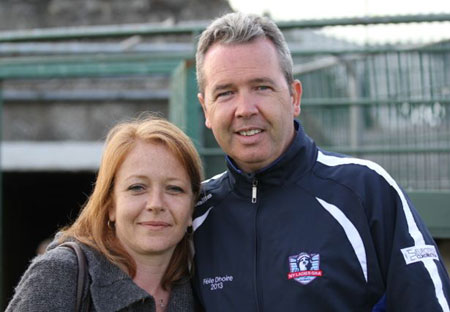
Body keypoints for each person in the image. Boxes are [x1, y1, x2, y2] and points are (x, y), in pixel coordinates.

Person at [192, 12, 450, 311]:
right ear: (206, 109)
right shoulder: (194, 213)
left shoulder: (366, 191)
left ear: (294, 96)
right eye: (225, 93)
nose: (245, 109)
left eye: (262, 87)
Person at [6, 116, 203, 312]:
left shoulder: (203, 285)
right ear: (110, 204)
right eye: (137, 187)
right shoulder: (59, 274)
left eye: (175, 189)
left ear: (191, 207)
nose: (156, 204)